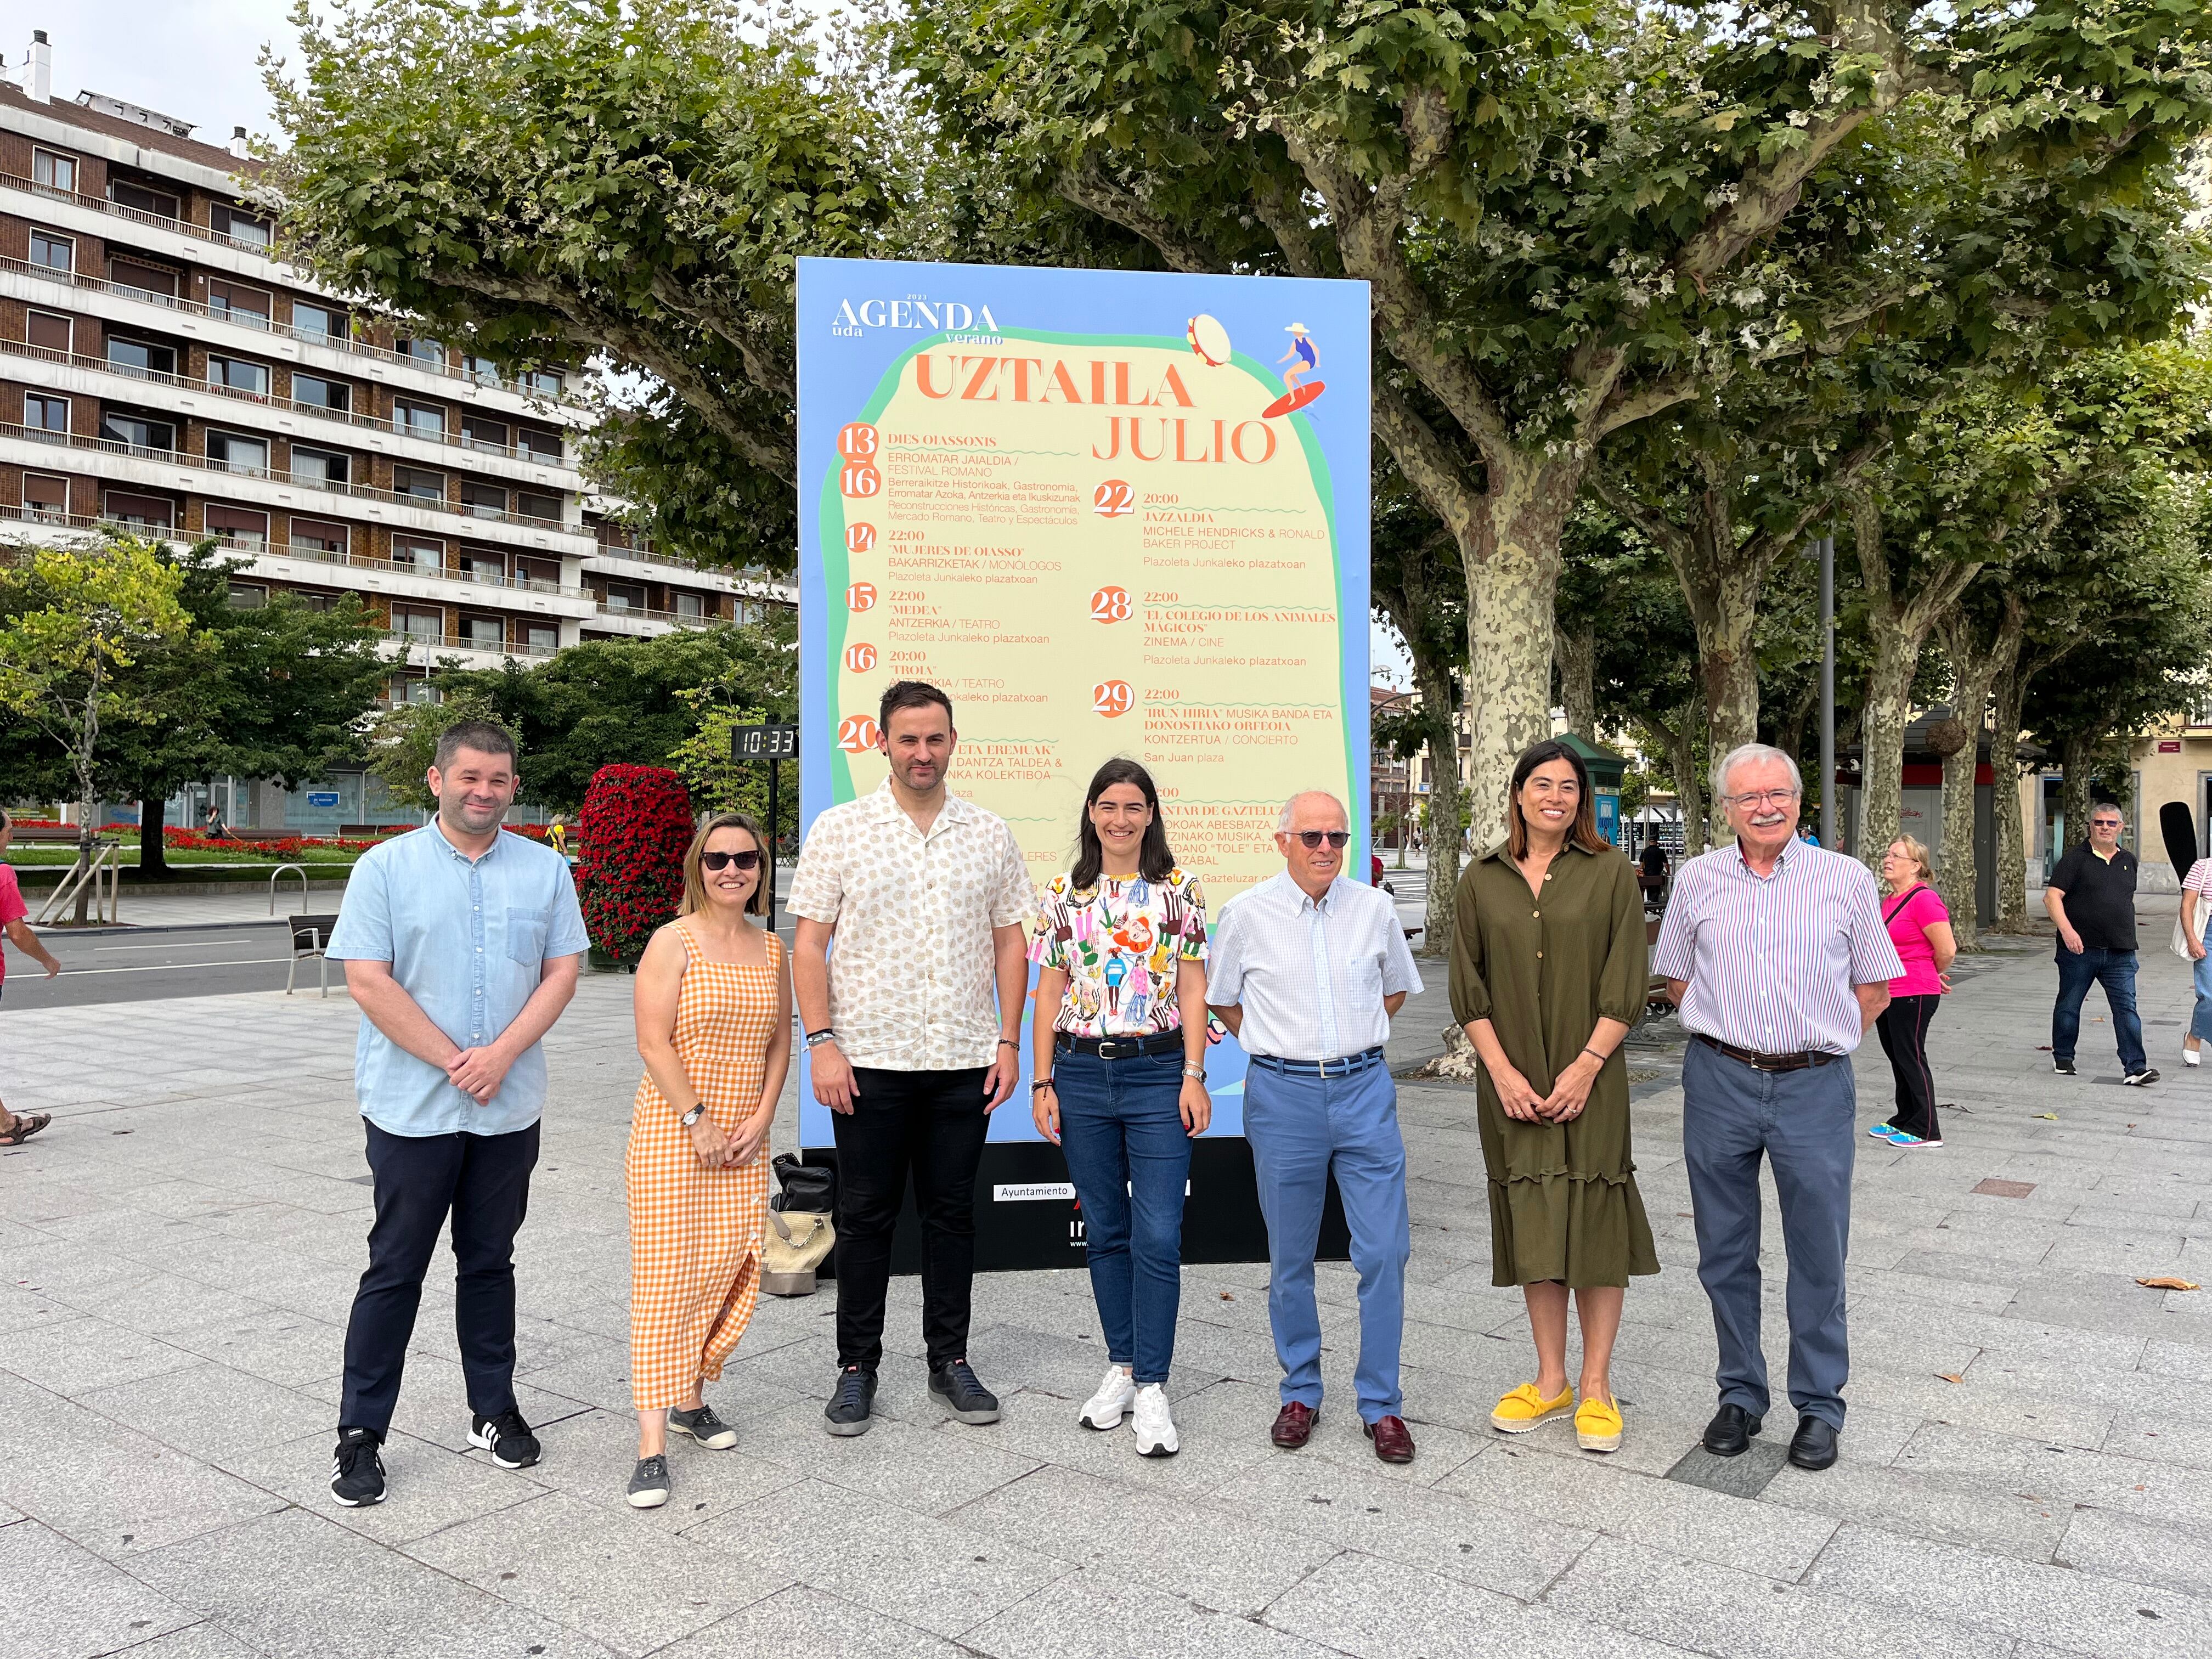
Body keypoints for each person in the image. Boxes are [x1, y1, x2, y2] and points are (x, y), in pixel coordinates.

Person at [323, 719, 589, 1508]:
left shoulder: (545, 871)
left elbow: (562, 972)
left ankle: (493, 1409)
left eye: (499, 780)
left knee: (490, 1263)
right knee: (394, 1268)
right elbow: (368, 980)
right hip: (412, 1109)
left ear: (514, 786)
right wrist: (453, 1059)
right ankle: (360, 1435)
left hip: (507, 1110)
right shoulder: (385, 869)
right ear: (436, 781)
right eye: (469, 777)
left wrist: (501, 1055)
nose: (485, 791)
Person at [789, 680, 1031, 1437]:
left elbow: (1011, 941)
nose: (921, 752)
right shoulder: (841, 828)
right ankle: (856, 1366)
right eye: (908, 739)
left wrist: (1010, 1039)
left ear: (953, 742)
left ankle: (949, 1360)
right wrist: (822, 1042)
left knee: (953, 1218)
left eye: (934, 739)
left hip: (962, 1057)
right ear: (883, 744)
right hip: (867, 1060)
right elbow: (809, 943)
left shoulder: (989, 833)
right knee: (865, 1218)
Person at [1652, 743, 1901, 1474]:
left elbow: (1876, 986)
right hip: (1720, 1081)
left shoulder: (1845, 879)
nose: (1766, 806)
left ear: (1799, 801)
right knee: (1725, 1250)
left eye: (1780, 793)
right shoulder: (1697, 879)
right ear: (1726, 808)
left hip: (1815, 1087)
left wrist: (1814, 1045)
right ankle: (1741, 1394)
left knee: (1819, 1251)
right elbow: (1675, 977)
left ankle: (1820, 1406)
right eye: (1748, 796)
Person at [1449, 741, 1656, 1454]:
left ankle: (1596, 1387)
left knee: (1595, 1221)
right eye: (1543, 784)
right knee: (1536, 1218)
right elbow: (1467, 986)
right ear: (1517, 794)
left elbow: (1627, 981)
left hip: (1590, 1081)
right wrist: (1503, 1073)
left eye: (1570, 787)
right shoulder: (1481, 879)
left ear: (1583, 801)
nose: (1557, 797)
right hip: (1509, 1081)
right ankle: (1550, 1379)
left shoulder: (1610, 877)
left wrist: (1584, 1068)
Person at [1208, 790, 1425, 1464]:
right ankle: (1300, 1390)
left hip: (1364, 1091)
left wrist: (1353, 1043)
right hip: (1284, 1097)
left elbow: (1392, 990)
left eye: (1337, 837)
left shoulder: (1375, 909)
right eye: (1311, 837)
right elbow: (1222, 999)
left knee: (1385, 1252)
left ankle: (1381, 1404)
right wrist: (1281, 1049)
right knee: (1290, 1258)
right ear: (1282, 843)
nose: (1326, 849)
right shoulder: (1246, 914)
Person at [1029, 760, 1211, 1457]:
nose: (1120, 819)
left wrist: (1194, 1075)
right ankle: (1124, 1367)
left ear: (1151, 814)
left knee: (1158, 1235)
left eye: (1134, 807)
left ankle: (1156, 1387)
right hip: (1079, 1076)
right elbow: (1048, 993)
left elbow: (1193, 988)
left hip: (1159, 1072)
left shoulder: (1180, 890)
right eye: (1108, 806)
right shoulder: (1063, 895)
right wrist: (1042, 1082)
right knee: (1105, 1229)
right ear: (1091, 812)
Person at [622, 811, 791, 1509]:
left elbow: (781, 1041)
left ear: (761, 869)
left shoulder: (773, 948)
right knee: (666, 1279)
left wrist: (761, 1116)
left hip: (742, 1142)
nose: (732, 870)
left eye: (745, 860)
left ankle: (691, 1400)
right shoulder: (674, 941)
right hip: (674, 1134)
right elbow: (652, 1041)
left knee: (726, 1267)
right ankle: (651, 1446)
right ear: (699, 866)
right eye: (718, 859)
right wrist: (697, 1120)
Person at [2046, 804, 2154, 1085]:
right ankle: (2064, 1056)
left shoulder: (2129, 860)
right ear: (2090, 826)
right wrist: (2068, 932)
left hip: (2121, 951)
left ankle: (2135, 1068)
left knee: (2127, 1009)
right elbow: (2052, 897)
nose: (2105, 827)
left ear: (2121, 827)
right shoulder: (2074, 859)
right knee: (2069, 1005)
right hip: (2079, 951)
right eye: (2099, 822)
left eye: (2111, 823)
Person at [1872, 836, 1956, 1148]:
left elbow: (1946, 948)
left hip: (1914, 990)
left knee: (1911, 1056)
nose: (1887, 860)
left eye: (1896, 856)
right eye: (1887, 854)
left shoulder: (1924, 899)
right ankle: (1904, 1117)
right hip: (1889, 990)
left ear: (1916, 866)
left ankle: (1926, 1128)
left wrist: (1931, 973)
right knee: (1897, 1056)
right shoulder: (1891, 900)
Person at [0, 808, 63, 1147]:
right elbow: (18, 933)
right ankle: (6, 1125)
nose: (12, 835)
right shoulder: (3, 874)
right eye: (10, 829)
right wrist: (48, 960)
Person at [2180, 851, 2212, 1066]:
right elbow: (2187, 906)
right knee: (2209, 994)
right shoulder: (2203, 867)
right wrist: (2192, 939)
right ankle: (2194, 1036)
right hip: (2208, 934)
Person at [1637, 840, 1669, 910]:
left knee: (1650, 889)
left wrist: (1640, 872)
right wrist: (1668, 872)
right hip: (1658, 875)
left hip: (1647, 875)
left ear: (1649, 842)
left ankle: (1650, 902)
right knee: (1657, 889)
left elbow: (1641, 865)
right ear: (1656, 842)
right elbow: (1666, 864)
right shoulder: (1660, 851)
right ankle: (1655, 903)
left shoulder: (1644, 851)